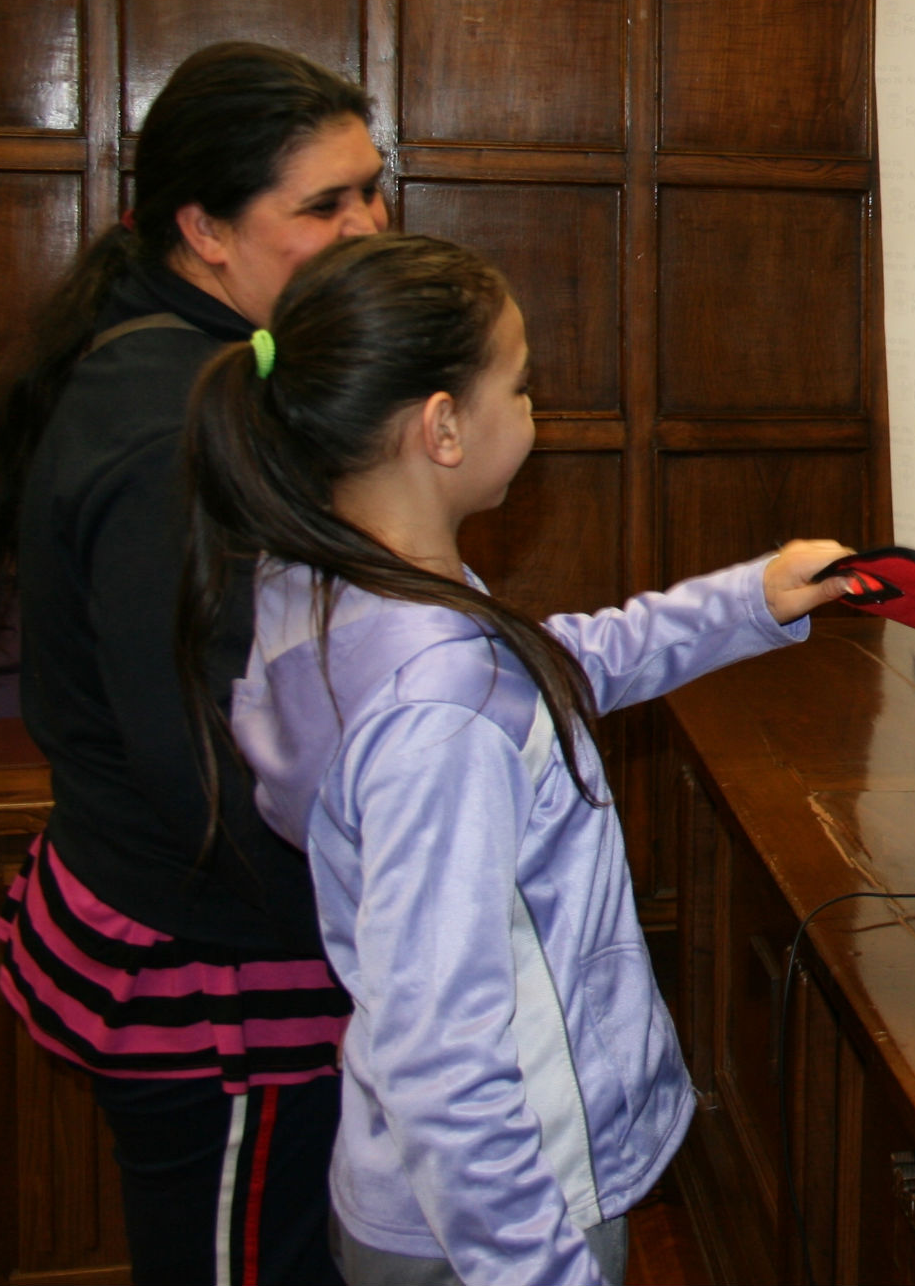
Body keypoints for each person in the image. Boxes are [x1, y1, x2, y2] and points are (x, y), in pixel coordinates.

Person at [177, 231, 859, 1286]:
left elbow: (543, 669)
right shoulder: (435, 709)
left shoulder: (332, 584)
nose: (535, 410)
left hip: (432, 1200)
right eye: (522, 385)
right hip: (506, 1217)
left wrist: (746, 600)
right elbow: (445, 1057)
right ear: (443, 427)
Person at [0, 43, 389, 1285]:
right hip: (212, 953)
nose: (366, 228)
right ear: (203, 228)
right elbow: (203, 765)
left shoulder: (203, 357)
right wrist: (381, 934)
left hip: (210, 909)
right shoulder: (172, 420)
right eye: (322, 206)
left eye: (375, 190)